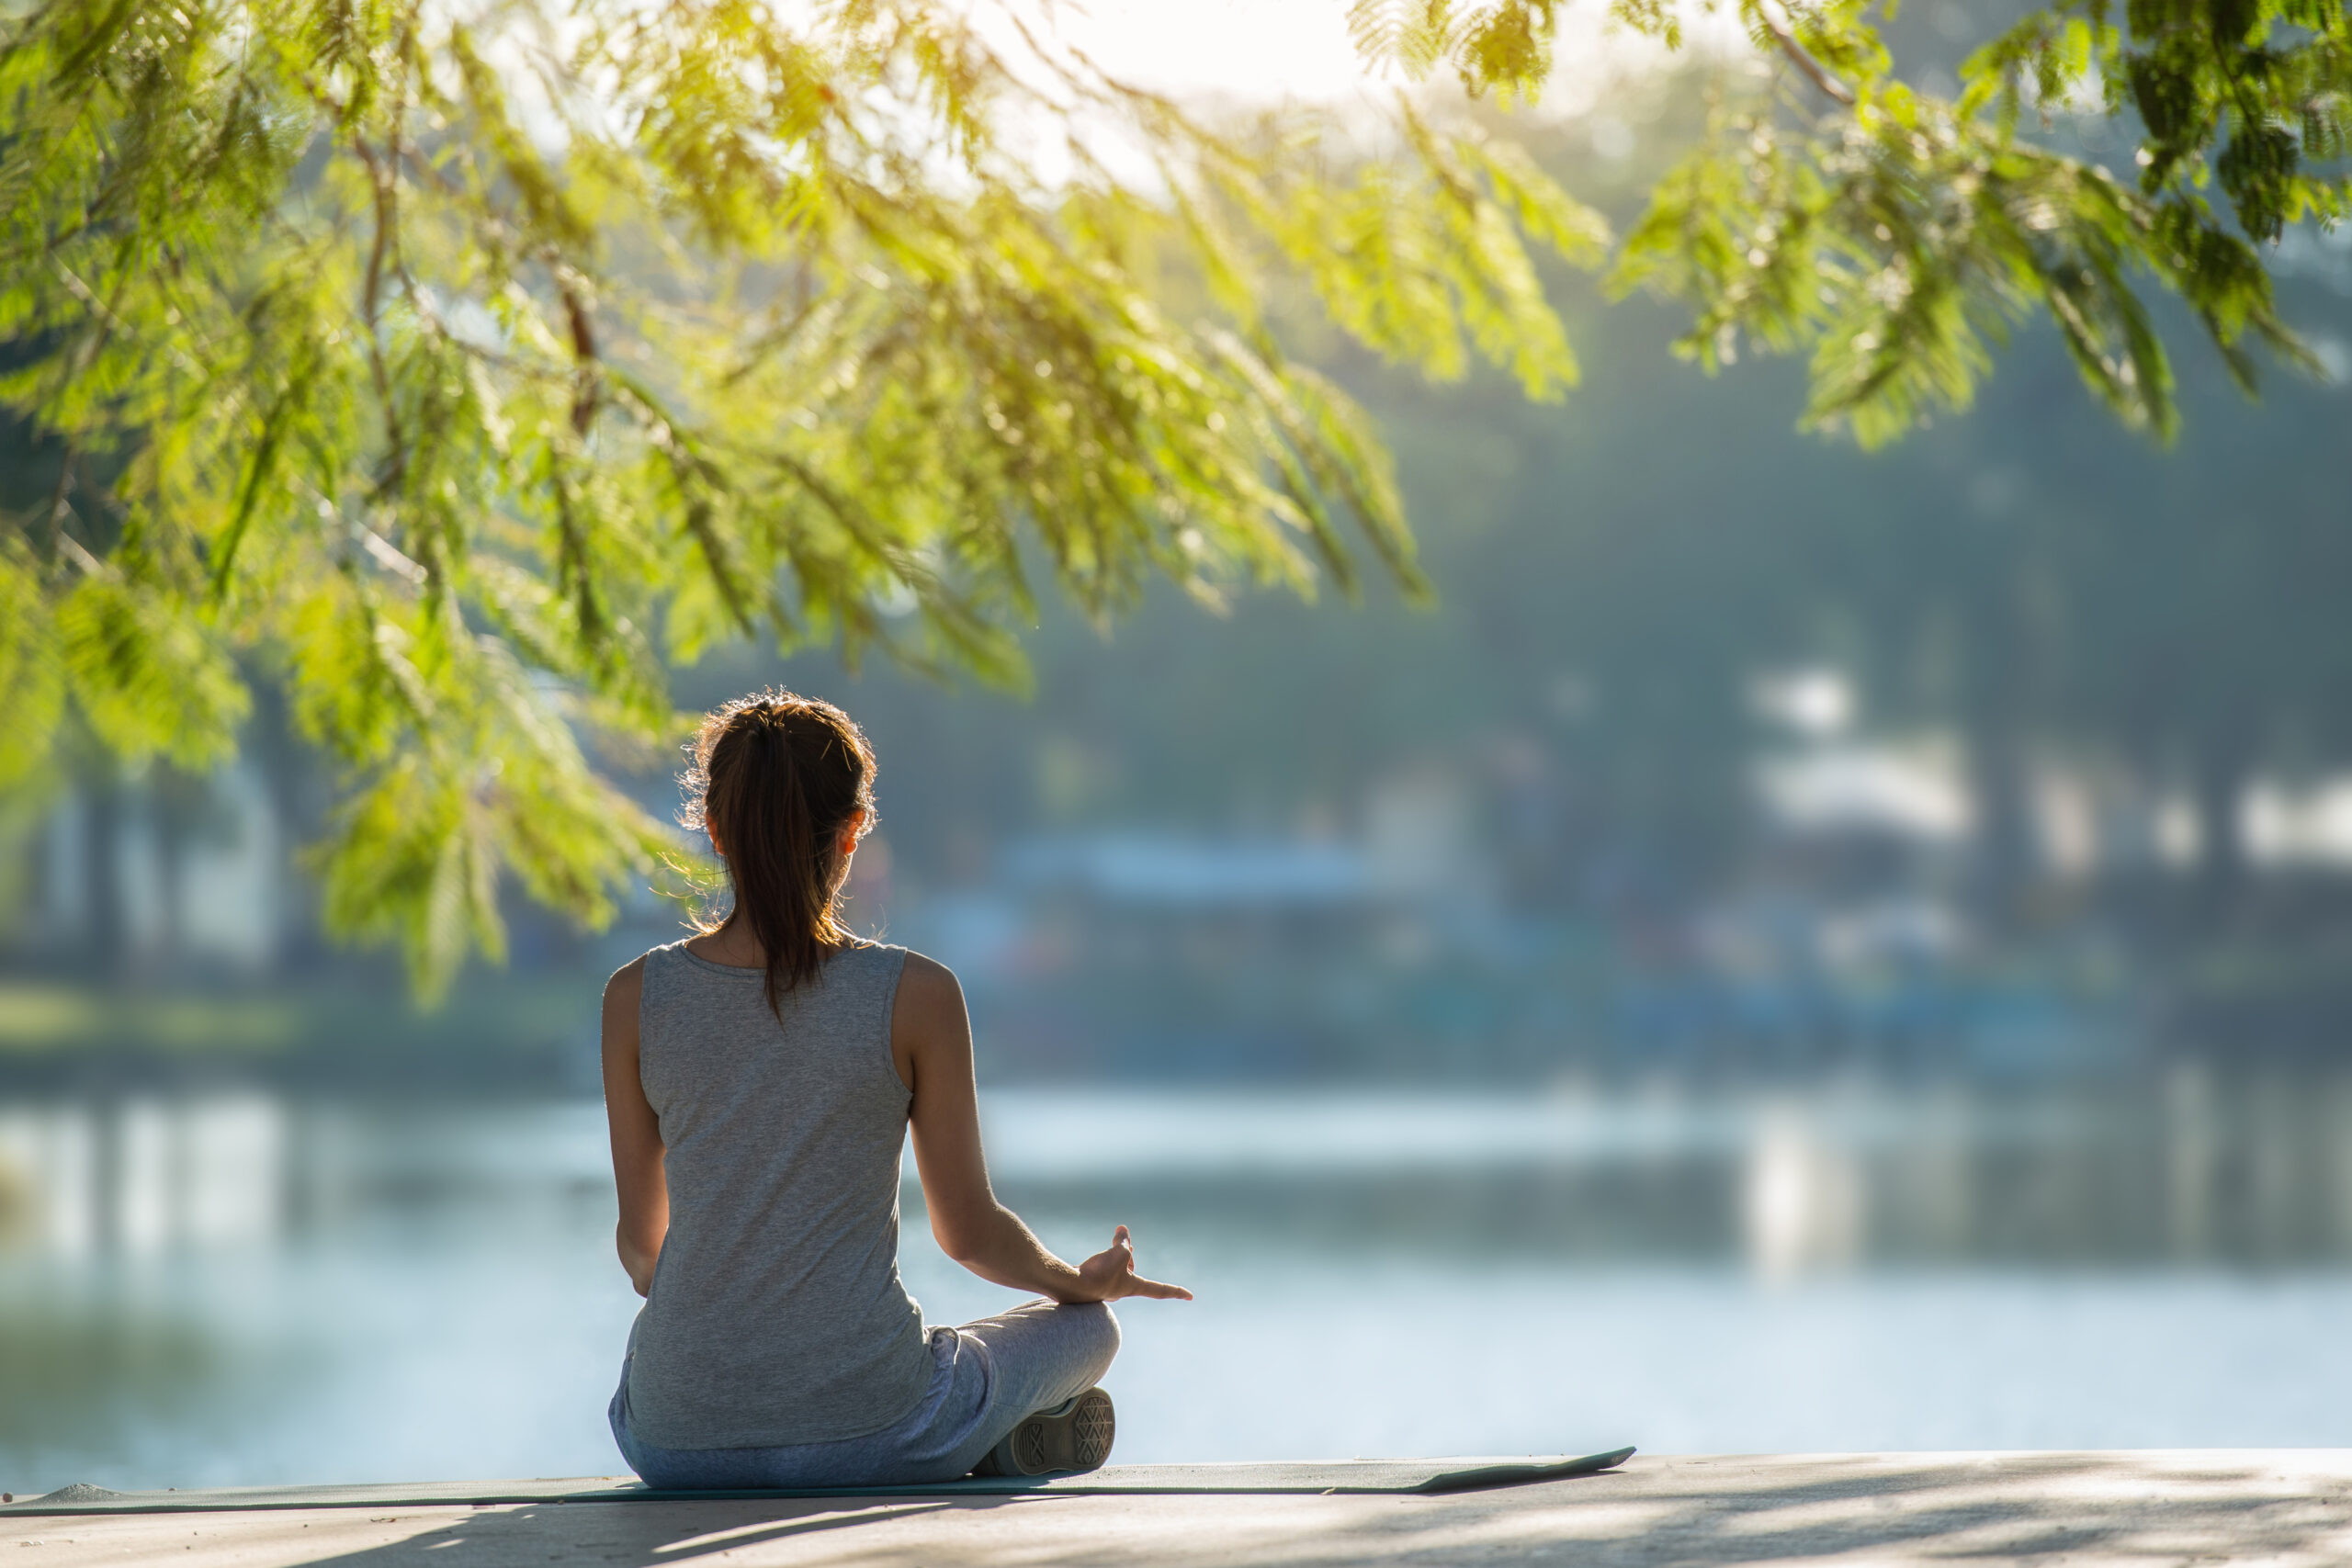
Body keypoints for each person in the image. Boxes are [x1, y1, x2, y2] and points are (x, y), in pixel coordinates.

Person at [601, 689, 1190, 1490]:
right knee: (1091, 1331)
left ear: (713, 830)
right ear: (853, 832)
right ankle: (981, 1441)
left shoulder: (636, 997)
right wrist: (1079, 1283)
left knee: (654, 1347)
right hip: (875, 1428)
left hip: (675, 1444)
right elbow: (970, 1235)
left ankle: (973, 1441)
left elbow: (643, 1250)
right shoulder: (917, 994)